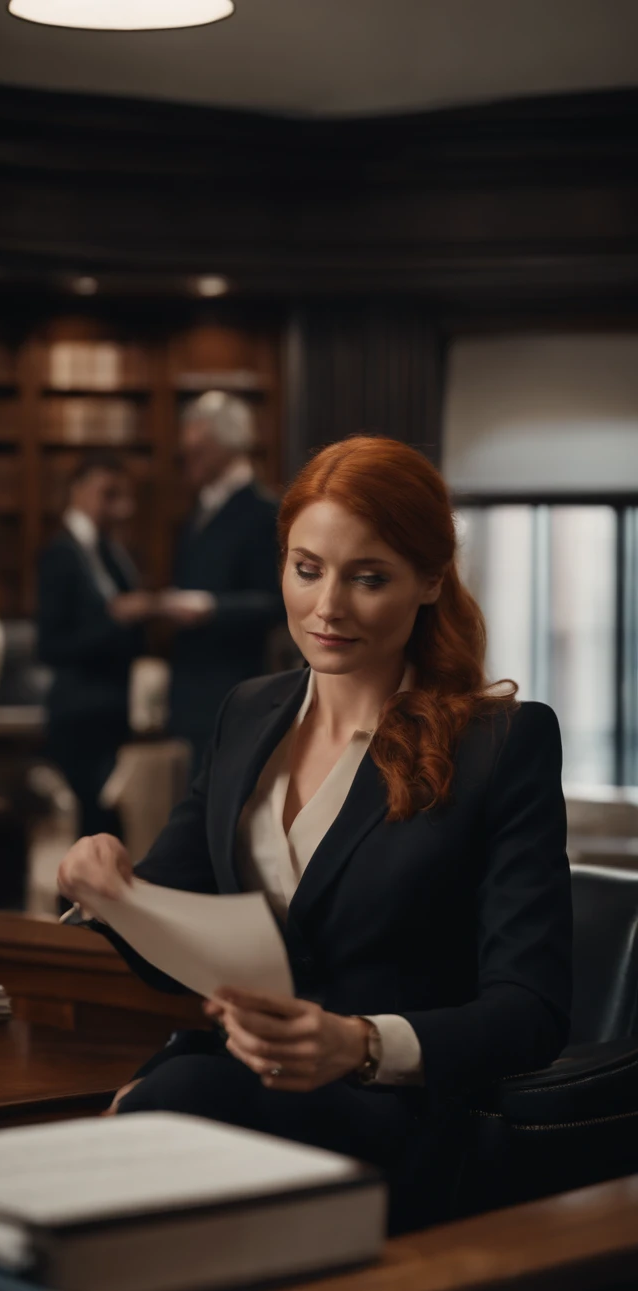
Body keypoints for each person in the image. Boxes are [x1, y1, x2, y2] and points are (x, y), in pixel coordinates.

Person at [58, 436, 572, 1228]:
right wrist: (107, 891)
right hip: (220, 1086)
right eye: (307, 569)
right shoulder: (246, 713)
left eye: (368, 578)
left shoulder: (503, 746)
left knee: (160, 1121)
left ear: (431, 580)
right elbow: (170, 955)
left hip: (388, 1119)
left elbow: (531, 1012)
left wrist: (362, 1044)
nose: (327, 607)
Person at [160, 390, 284, 771]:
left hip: (236, 689)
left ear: (229, 444)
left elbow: (278, 602)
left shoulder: (263, 512)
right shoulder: (198, 508)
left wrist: (212, 608)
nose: (186, 455)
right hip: (193, 690)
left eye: (197, 446)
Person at [38, 453, 154, 838]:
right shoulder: (61, 554)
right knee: (91, 826)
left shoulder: (111, 552)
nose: (121, 509)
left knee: (108, 824)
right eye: (109, 495)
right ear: (77, 491)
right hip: (79, 713)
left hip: (111, 710)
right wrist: (115, 621)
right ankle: (76, 900)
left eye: (123, 496)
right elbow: (50, 645)